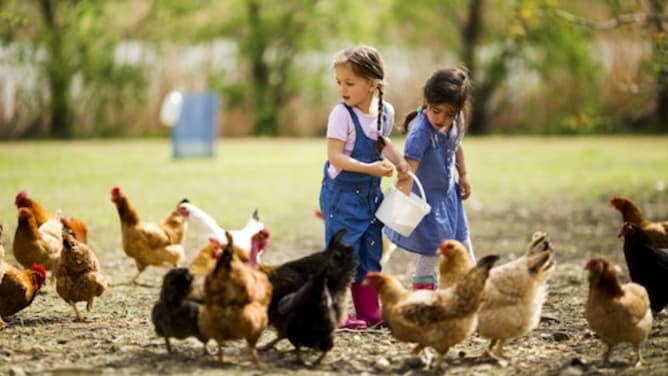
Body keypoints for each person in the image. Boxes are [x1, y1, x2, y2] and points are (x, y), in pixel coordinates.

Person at [318, 45, 410, 329]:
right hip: (341, 196)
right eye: (339, 83)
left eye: (349, 83)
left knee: (371, 250)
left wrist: (400, 163)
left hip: (370, 196)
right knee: (343, 254)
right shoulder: (341, 115)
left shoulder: (386, 112)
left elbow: (381, 144)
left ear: (373, 84)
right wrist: (371, 168)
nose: (342, 90)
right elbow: (335, 157)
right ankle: (337, 313)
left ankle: (368, 311)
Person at [384, 67, 475, 291]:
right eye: (436, 111)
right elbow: (408, 173)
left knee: (464, 247)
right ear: (426, 101)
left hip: (449, 199)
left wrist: (463, 175)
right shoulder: (420, 134)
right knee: (432, 254)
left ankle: (473, 294)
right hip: (428, 206)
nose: (442, 118)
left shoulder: (455, 122)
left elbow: (456, 146)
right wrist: (398, 206)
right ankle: (422, 301)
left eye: (449, 113)